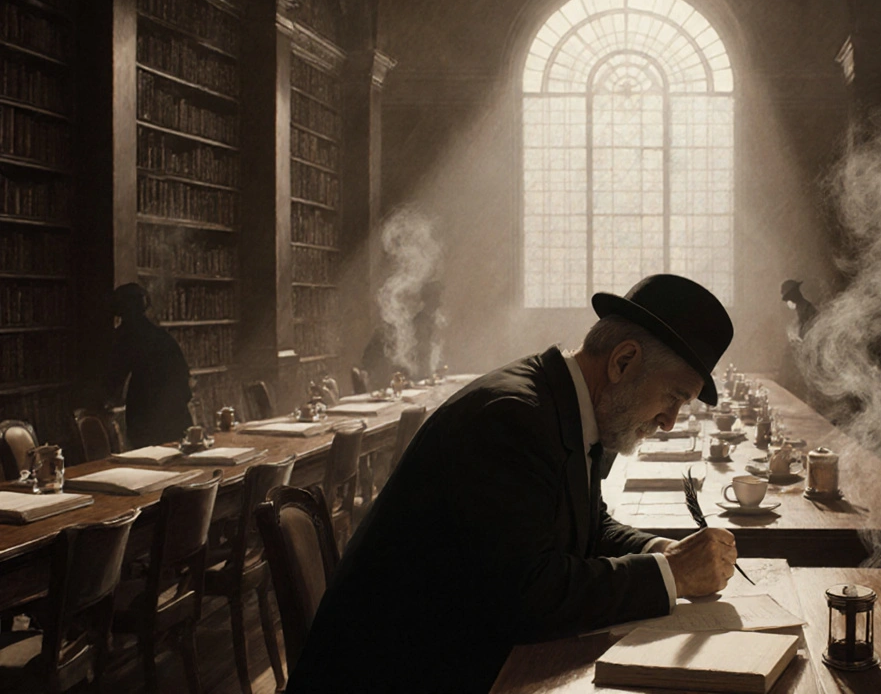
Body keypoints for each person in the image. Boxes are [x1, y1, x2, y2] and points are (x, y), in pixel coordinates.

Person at [287, 274, 739, 693]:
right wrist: (673, 575)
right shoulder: (511, 418)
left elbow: (588, 525)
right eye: (674, 396)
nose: (669, 422)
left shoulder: (560, 404)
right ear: (623, 361)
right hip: (392, 677)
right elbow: (527, 596)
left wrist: (660, 551)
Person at [104, 283, 193, 447]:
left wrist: (104, 403)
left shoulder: (125, 336)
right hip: (177, 414)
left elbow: (113, 378)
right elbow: (185, 381)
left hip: (145, 417)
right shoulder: (160, 335)